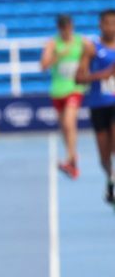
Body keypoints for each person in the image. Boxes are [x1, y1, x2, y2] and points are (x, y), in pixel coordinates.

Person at [42, 14, 91, 179]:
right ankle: (72, 159)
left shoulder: (81, 41)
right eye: (63, 28)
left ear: (72, 26)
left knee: (70, 122)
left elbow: (94, 52)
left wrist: (85, 65)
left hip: (75, 88)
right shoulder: (53, 43)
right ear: (59, 28)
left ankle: (71, 158)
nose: (66, 31)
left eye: (68, 27)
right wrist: (58, 56)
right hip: (57, 89)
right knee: (64, 126)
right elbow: (43, 65)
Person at [76, 9, 115, 202]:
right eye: (106, 23)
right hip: (98, 104)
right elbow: (78, 78)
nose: (110, 27)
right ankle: (111, 180)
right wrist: (103, 75)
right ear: (100, 25)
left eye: (113, 23)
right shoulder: (92, 48)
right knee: (104, 156)